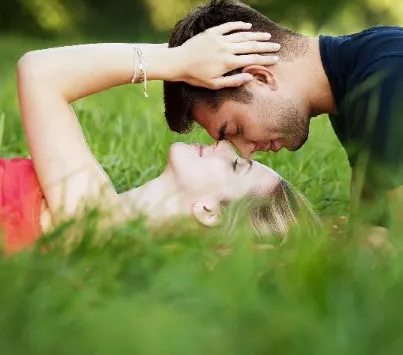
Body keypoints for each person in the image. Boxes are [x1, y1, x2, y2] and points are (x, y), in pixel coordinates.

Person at [0, 23, 311, 255]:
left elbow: (39, 73)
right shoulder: (100, 217)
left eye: (234, 168)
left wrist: (178, 60)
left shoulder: (98, 223)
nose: (224, 145)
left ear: (208, 212)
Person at [164, 0, 403, 236]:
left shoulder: (387, 80)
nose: (245, 153)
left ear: (260, 78)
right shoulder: (359, 90)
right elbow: (368, 229)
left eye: (236, 129)